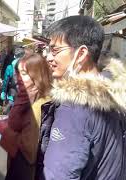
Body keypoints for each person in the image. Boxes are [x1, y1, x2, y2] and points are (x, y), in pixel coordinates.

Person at [36, 15, 126, 180]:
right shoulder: (113, 91)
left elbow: (58, 175)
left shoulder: (74, 107)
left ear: (81, 53)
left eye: (55, 50)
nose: (48, 57)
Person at [0, 53, 52, 180]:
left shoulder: (38, 106)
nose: (19, 78)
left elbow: (29, 152)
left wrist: (5, 129)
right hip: (14, 165)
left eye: (24, 74)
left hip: (24, 172)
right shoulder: (26, 97)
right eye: (18, 73)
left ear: (37, 75)